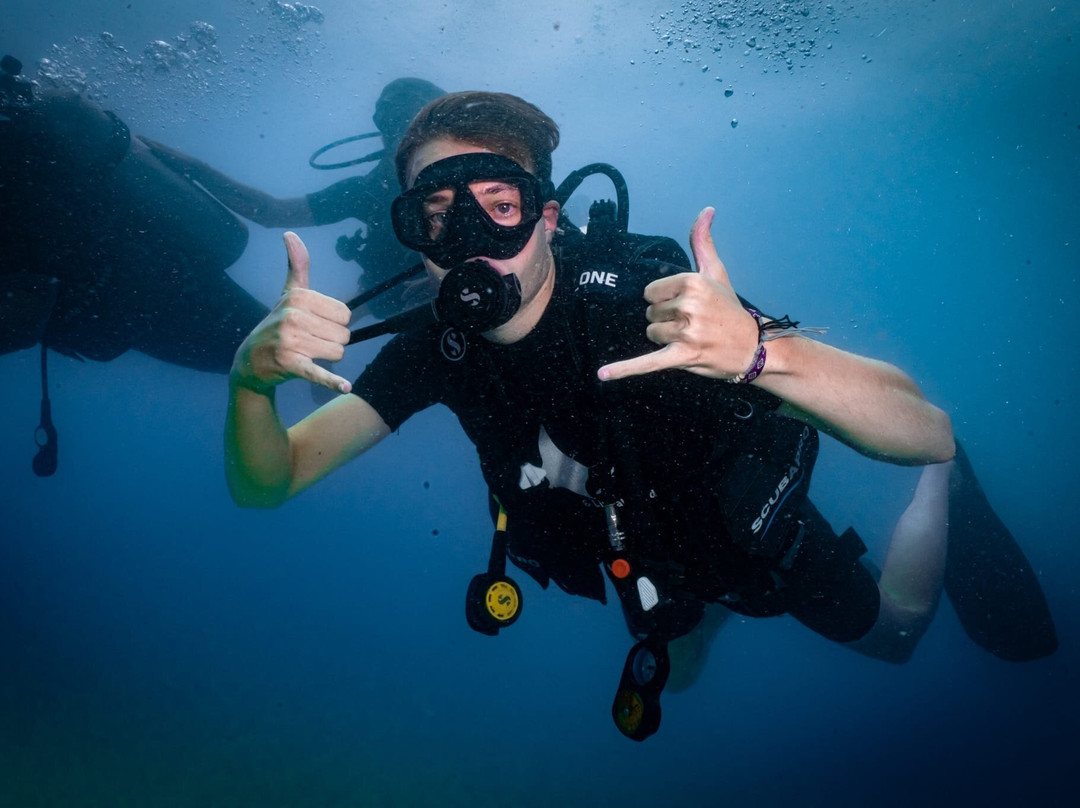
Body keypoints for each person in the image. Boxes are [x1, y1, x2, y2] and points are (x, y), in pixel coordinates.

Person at [223, 91, 1056, 739]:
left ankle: (947, 492)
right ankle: (703, 612)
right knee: (679, 673)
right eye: (437, 218)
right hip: (644, 556)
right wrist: (248, 385)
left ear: (548, 218)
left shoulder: (648, 302)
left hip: (741, 535)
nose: (469, 240)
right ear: (413, 239)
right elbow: (270, 481)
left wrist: (758, 353)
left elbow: (927, 430)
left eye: (500, 207)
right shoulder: (433, 349)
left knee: (897, 636)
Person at [1, 54, 269, 475]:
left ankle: (323, 371)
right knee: (268, 349)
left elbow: (22, 315)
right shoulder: (27, 134)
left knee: (263, 352)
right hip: (142, 264)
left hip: (125, 294)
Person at [140, 77, 446, 320]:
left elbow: (270, 212)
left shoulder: (471, 179)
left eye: (415, 124)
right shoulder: (369, 192)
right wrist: (199, 170)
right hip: (405, 310)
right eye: (394, 124)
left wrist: (448, 277)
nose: (404, 137)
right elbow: (270, 212)